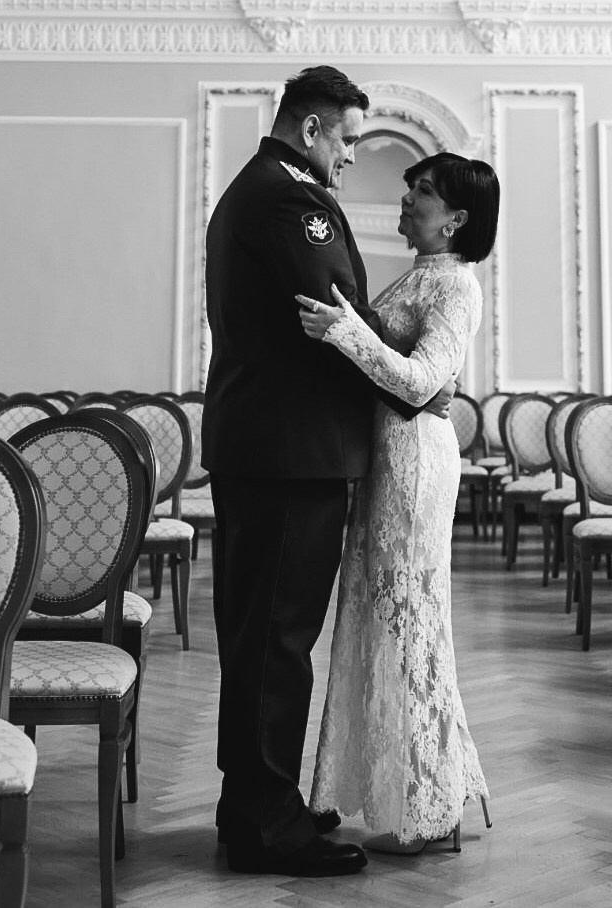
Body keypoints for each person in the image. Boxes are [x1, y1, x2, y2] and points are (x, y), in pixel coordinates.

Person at [201, 65, 447, 879]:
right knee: (276, 639)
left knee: (262, 635)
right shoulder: (289, 201)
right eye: (346, 139)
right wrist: (418, 385)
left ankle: (253, 802)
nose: (350, 156)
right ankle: (266, 825)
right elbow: (336, 319)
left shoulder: (259, 189)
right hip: (289, 452)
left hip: (271, 446)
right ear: (310, 129)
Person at [297, 151, 500, 853]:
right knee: (379, 618)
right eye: (411, 187)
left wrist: (345, 330)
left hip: (415, 466)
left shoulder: (456, 284)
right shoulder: (422, 272)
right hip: (387, 459)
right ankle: (397, 787)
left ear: (456, 219)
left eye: (423, 191)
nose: (408, 199)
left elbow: (419, 382)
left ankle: (427, 805)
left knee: (408, 620)